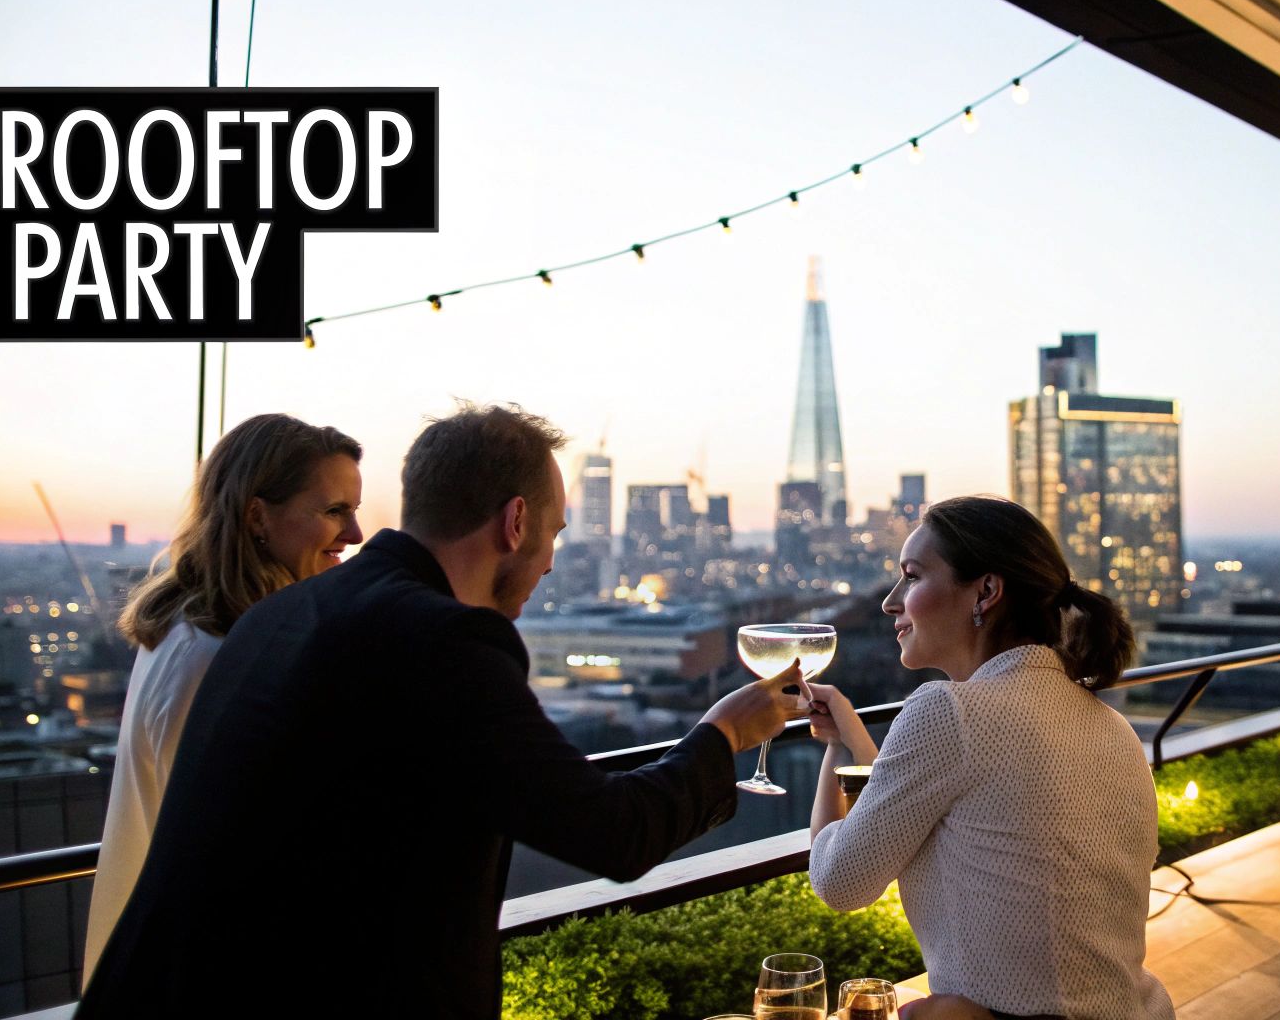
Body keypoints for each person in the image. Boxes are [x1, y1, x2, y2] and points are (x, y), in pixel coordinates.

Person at [78, 403, 803, 1018]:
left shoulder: (287, 610)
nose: (550, 561)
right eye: (553, 534)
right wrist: (723, 735)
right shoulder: (443, 639)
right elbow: (611, 832)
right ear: (515, 522)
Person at [805, 495, 1176, 1020]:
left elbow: (840, 881)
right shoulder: (1108, 724)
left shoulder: (949, 711)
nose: (891, 601)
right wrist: (844, 742)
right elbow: (917, 799)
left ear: (986, 591)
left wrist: (835, 765)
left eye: (911, 577)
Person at [83, 413, 365, 980]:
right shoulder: (214, 659)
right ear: (257, 515)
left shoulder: (194, 633)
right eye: (335, 511)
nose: (356, 535)